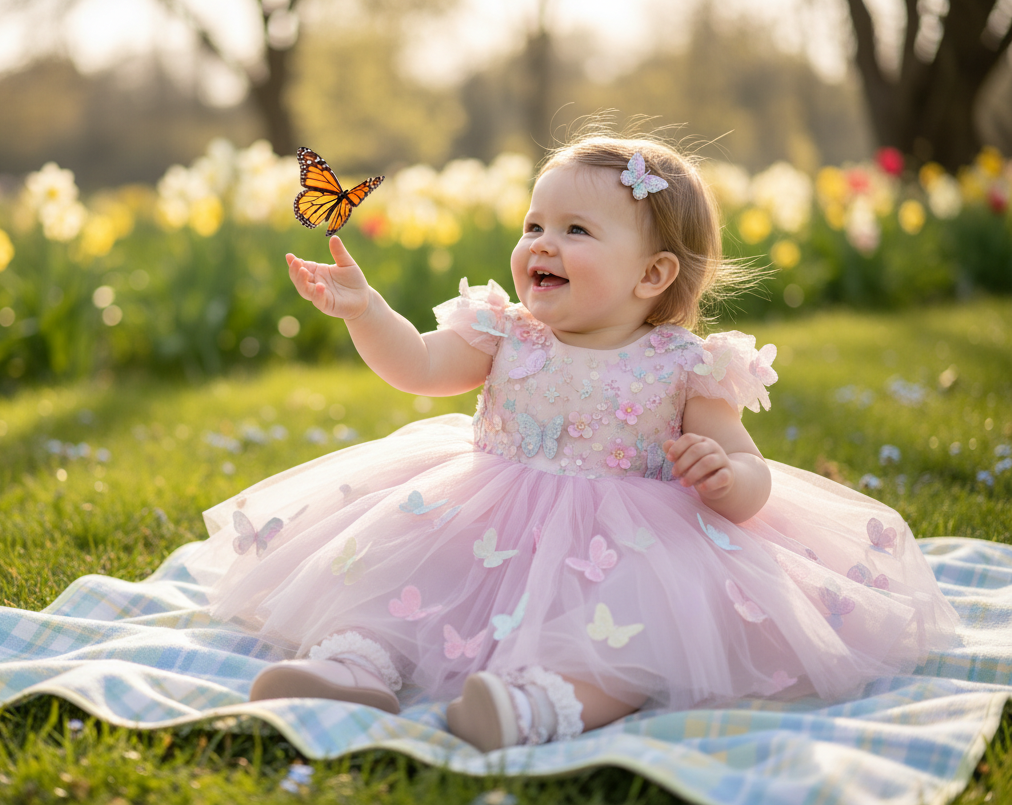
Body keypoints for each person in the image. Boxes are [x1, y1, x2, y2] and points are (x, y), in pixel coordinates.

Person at [184, 132, 959, 752]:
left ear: (652, 274)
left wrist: (727, 475)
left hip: (624, 550)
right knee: (403, 578)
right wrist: (366, 312)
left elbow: (751, 467)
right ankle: (356, 662)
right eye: (534, 226)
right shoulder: (502, 331)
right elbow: (416, 364)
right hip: (482, 520)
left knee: (629, 637)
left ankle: (538, 704)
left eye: (575, 230)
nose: (541, 244)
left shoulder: (688, 367)